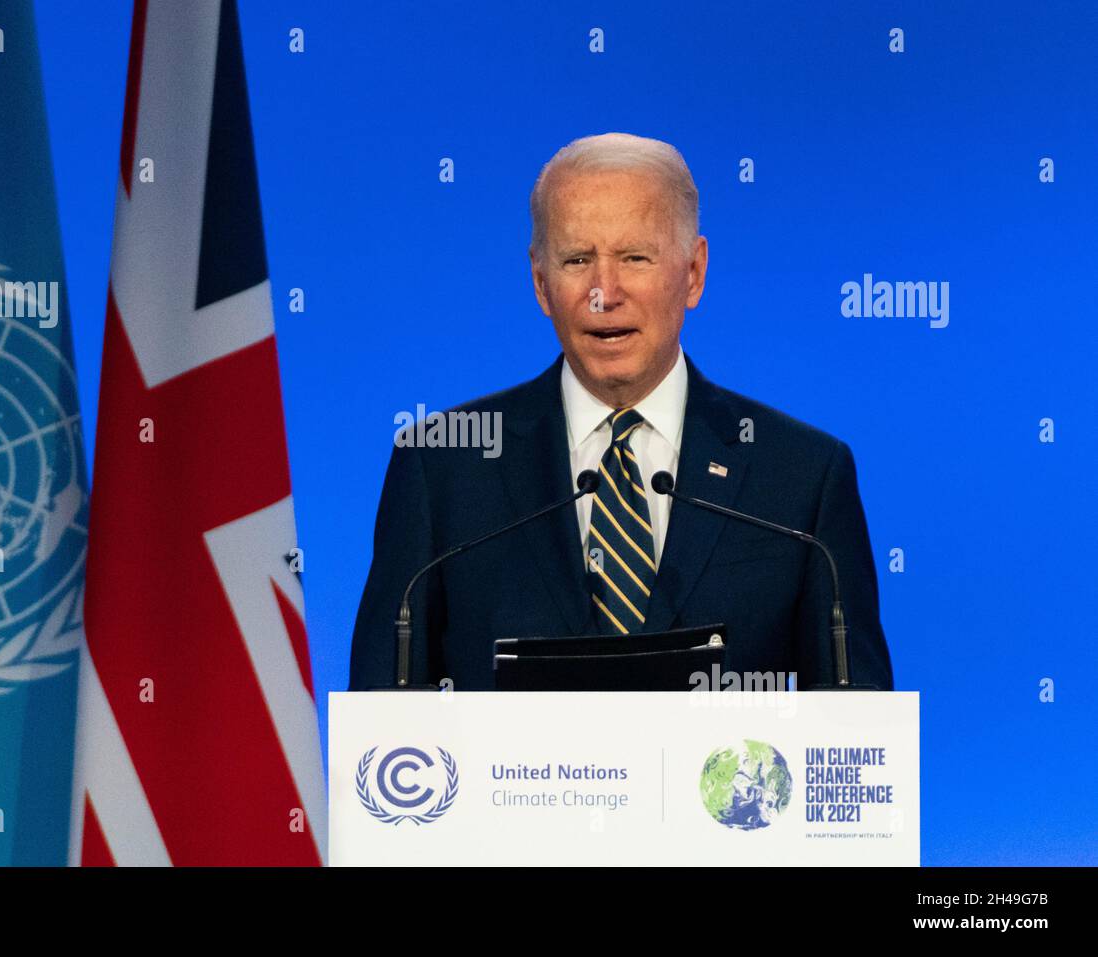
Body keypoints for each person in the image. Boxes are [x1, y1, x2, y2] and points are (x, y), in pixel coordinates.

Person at [348, 132, 893, 692]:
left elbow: (854, 728)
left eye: (635, 257)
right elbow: (384, 717)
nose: (604, 293)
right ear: (540, 282)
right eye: (577, 259)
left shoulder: (802, 475)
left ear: (693, 273)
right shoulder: (442, 466)